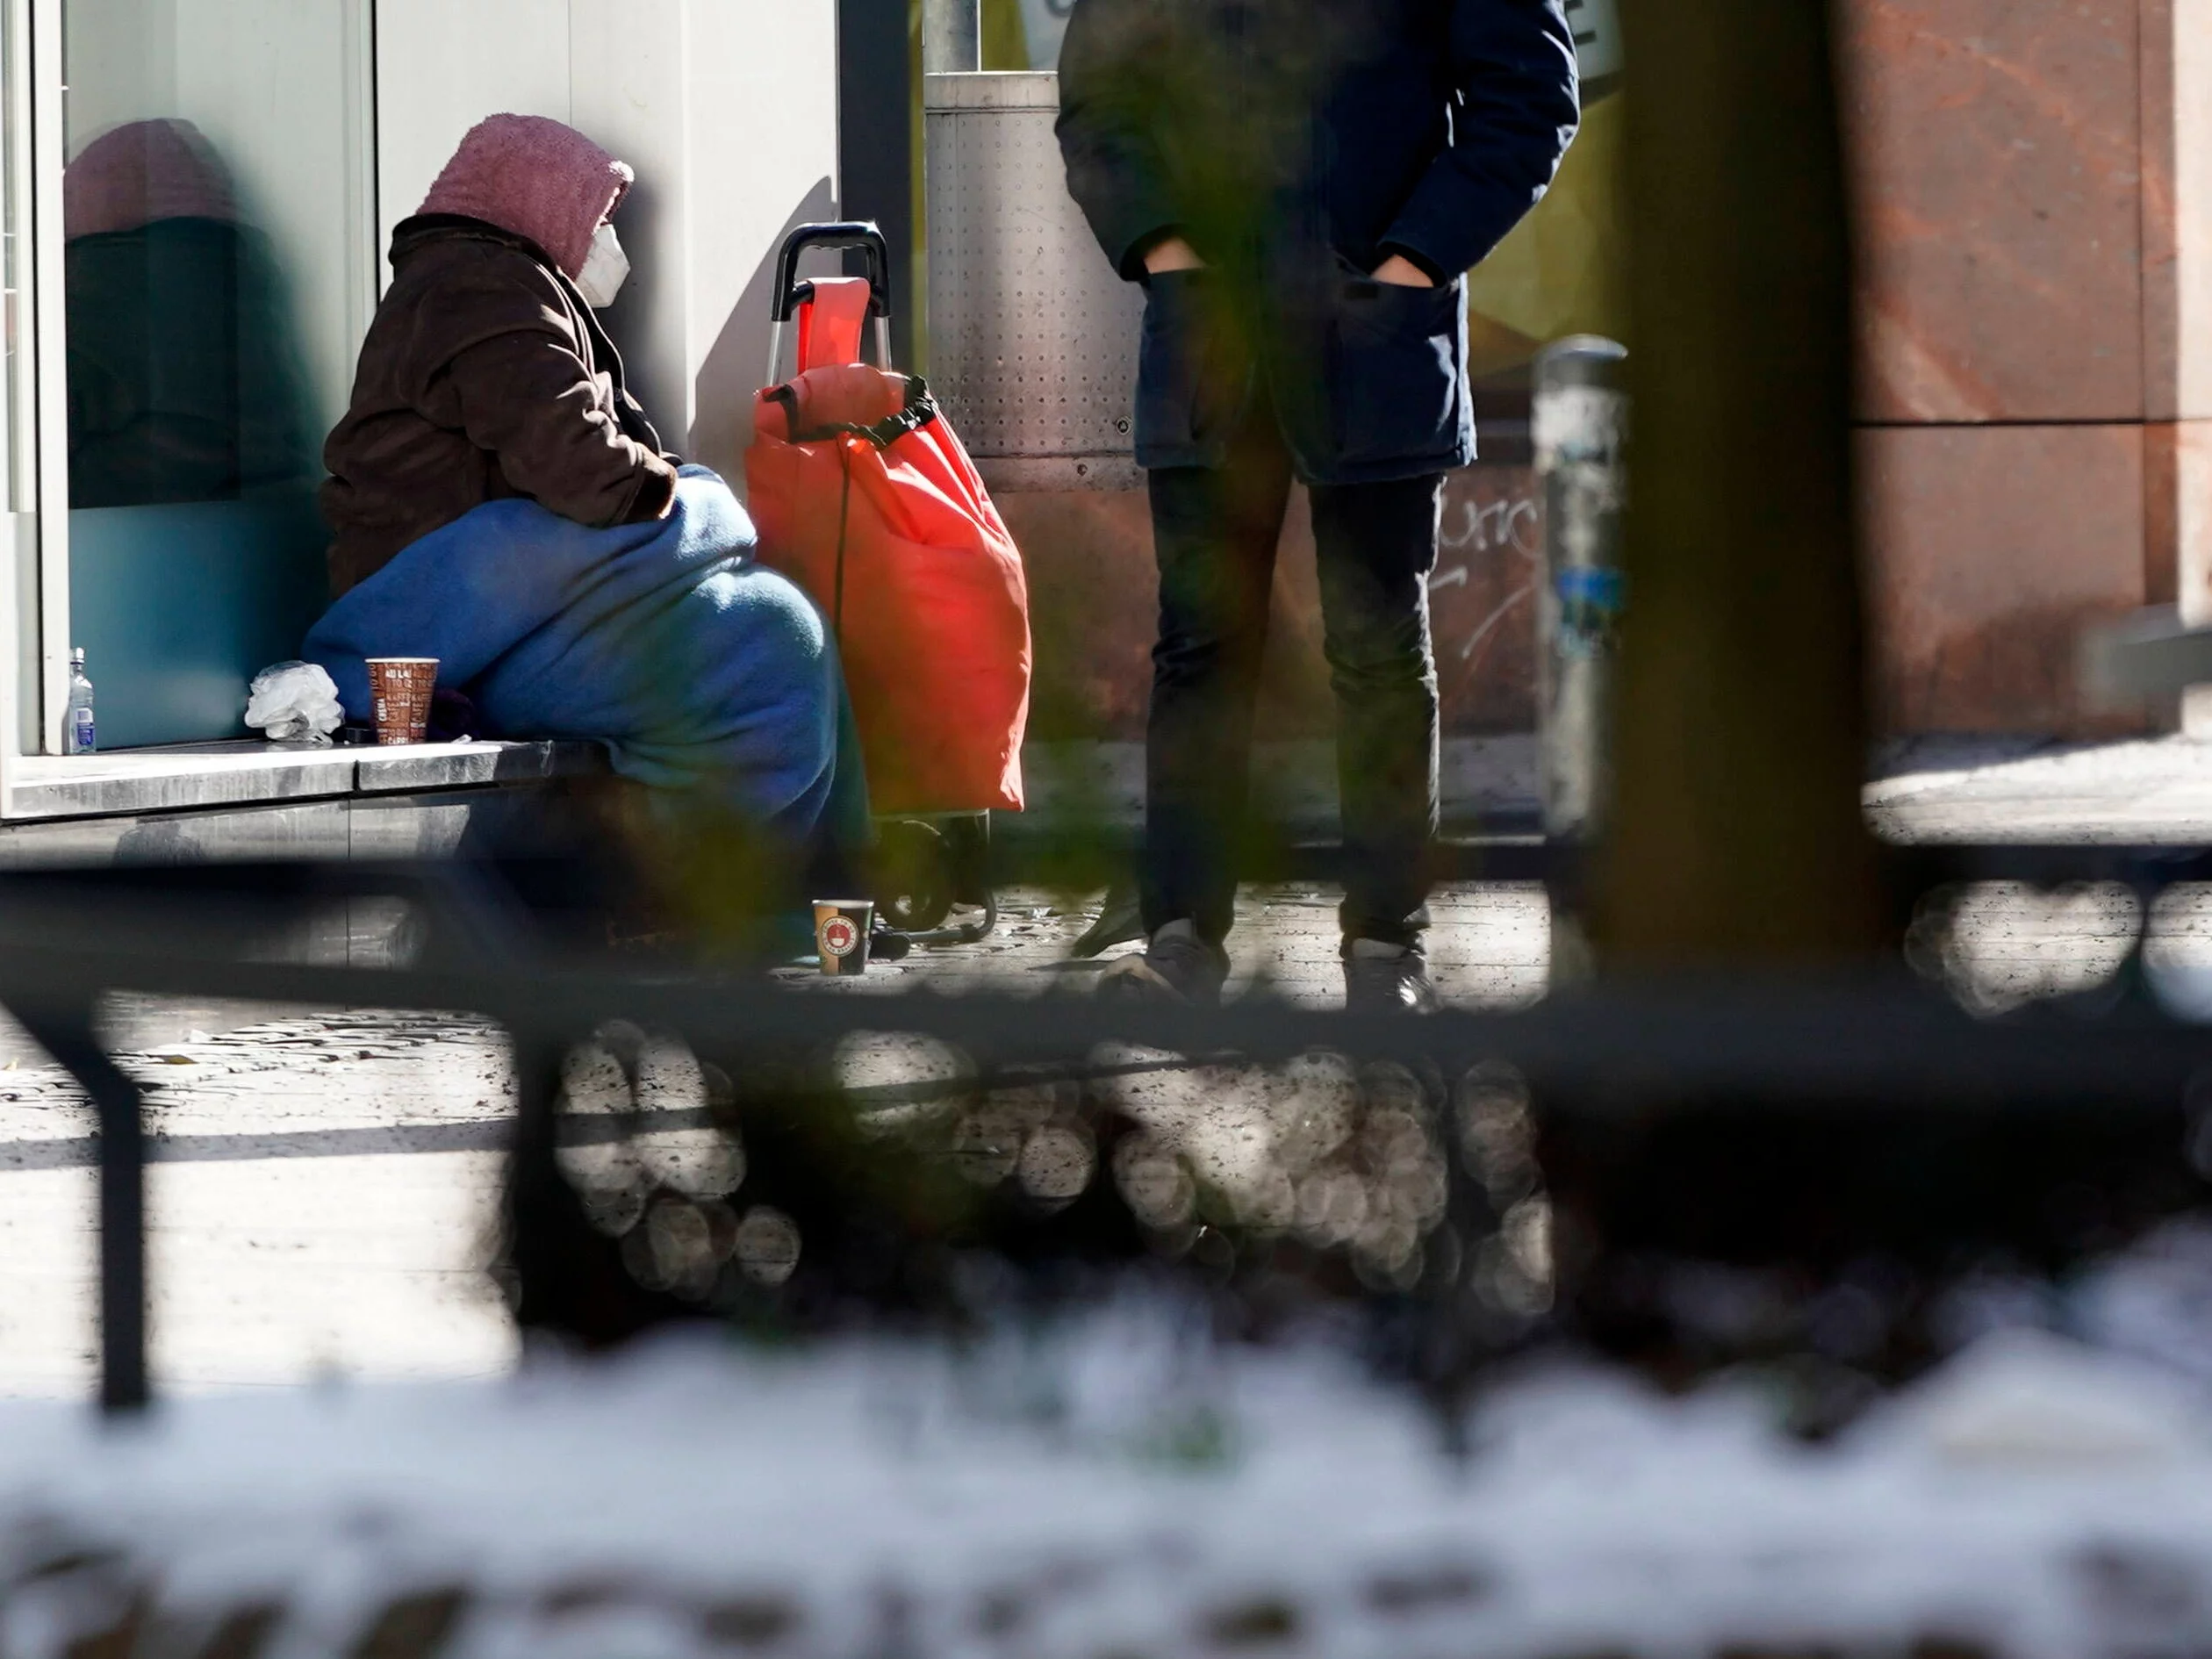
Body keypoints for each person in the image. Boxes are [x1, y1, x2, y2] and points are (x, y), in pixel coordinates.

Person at [1057, 0, 1579, 1011]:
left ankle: (1388, 949)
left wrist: (1411, 264)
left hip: (1377, 336)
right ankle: (1178, 943)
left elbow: (1531, 100)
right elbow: (1098, 101)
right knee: (1201, 649)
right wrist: (1170, 253)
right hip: (1210, 343)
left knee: (1380, 651)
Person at [309, 113, 863, 869]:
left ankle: (811, 895)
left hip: (531, 609)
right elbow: (582, 469)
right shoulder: (481, 289)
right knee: (768, 645)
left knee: (783, 631)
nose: (611, 242)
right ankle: (687, 894)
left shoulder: (493, 285)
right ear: (542, 203)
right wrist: (679, 492)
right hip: (471, 633)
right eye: (601, 218)